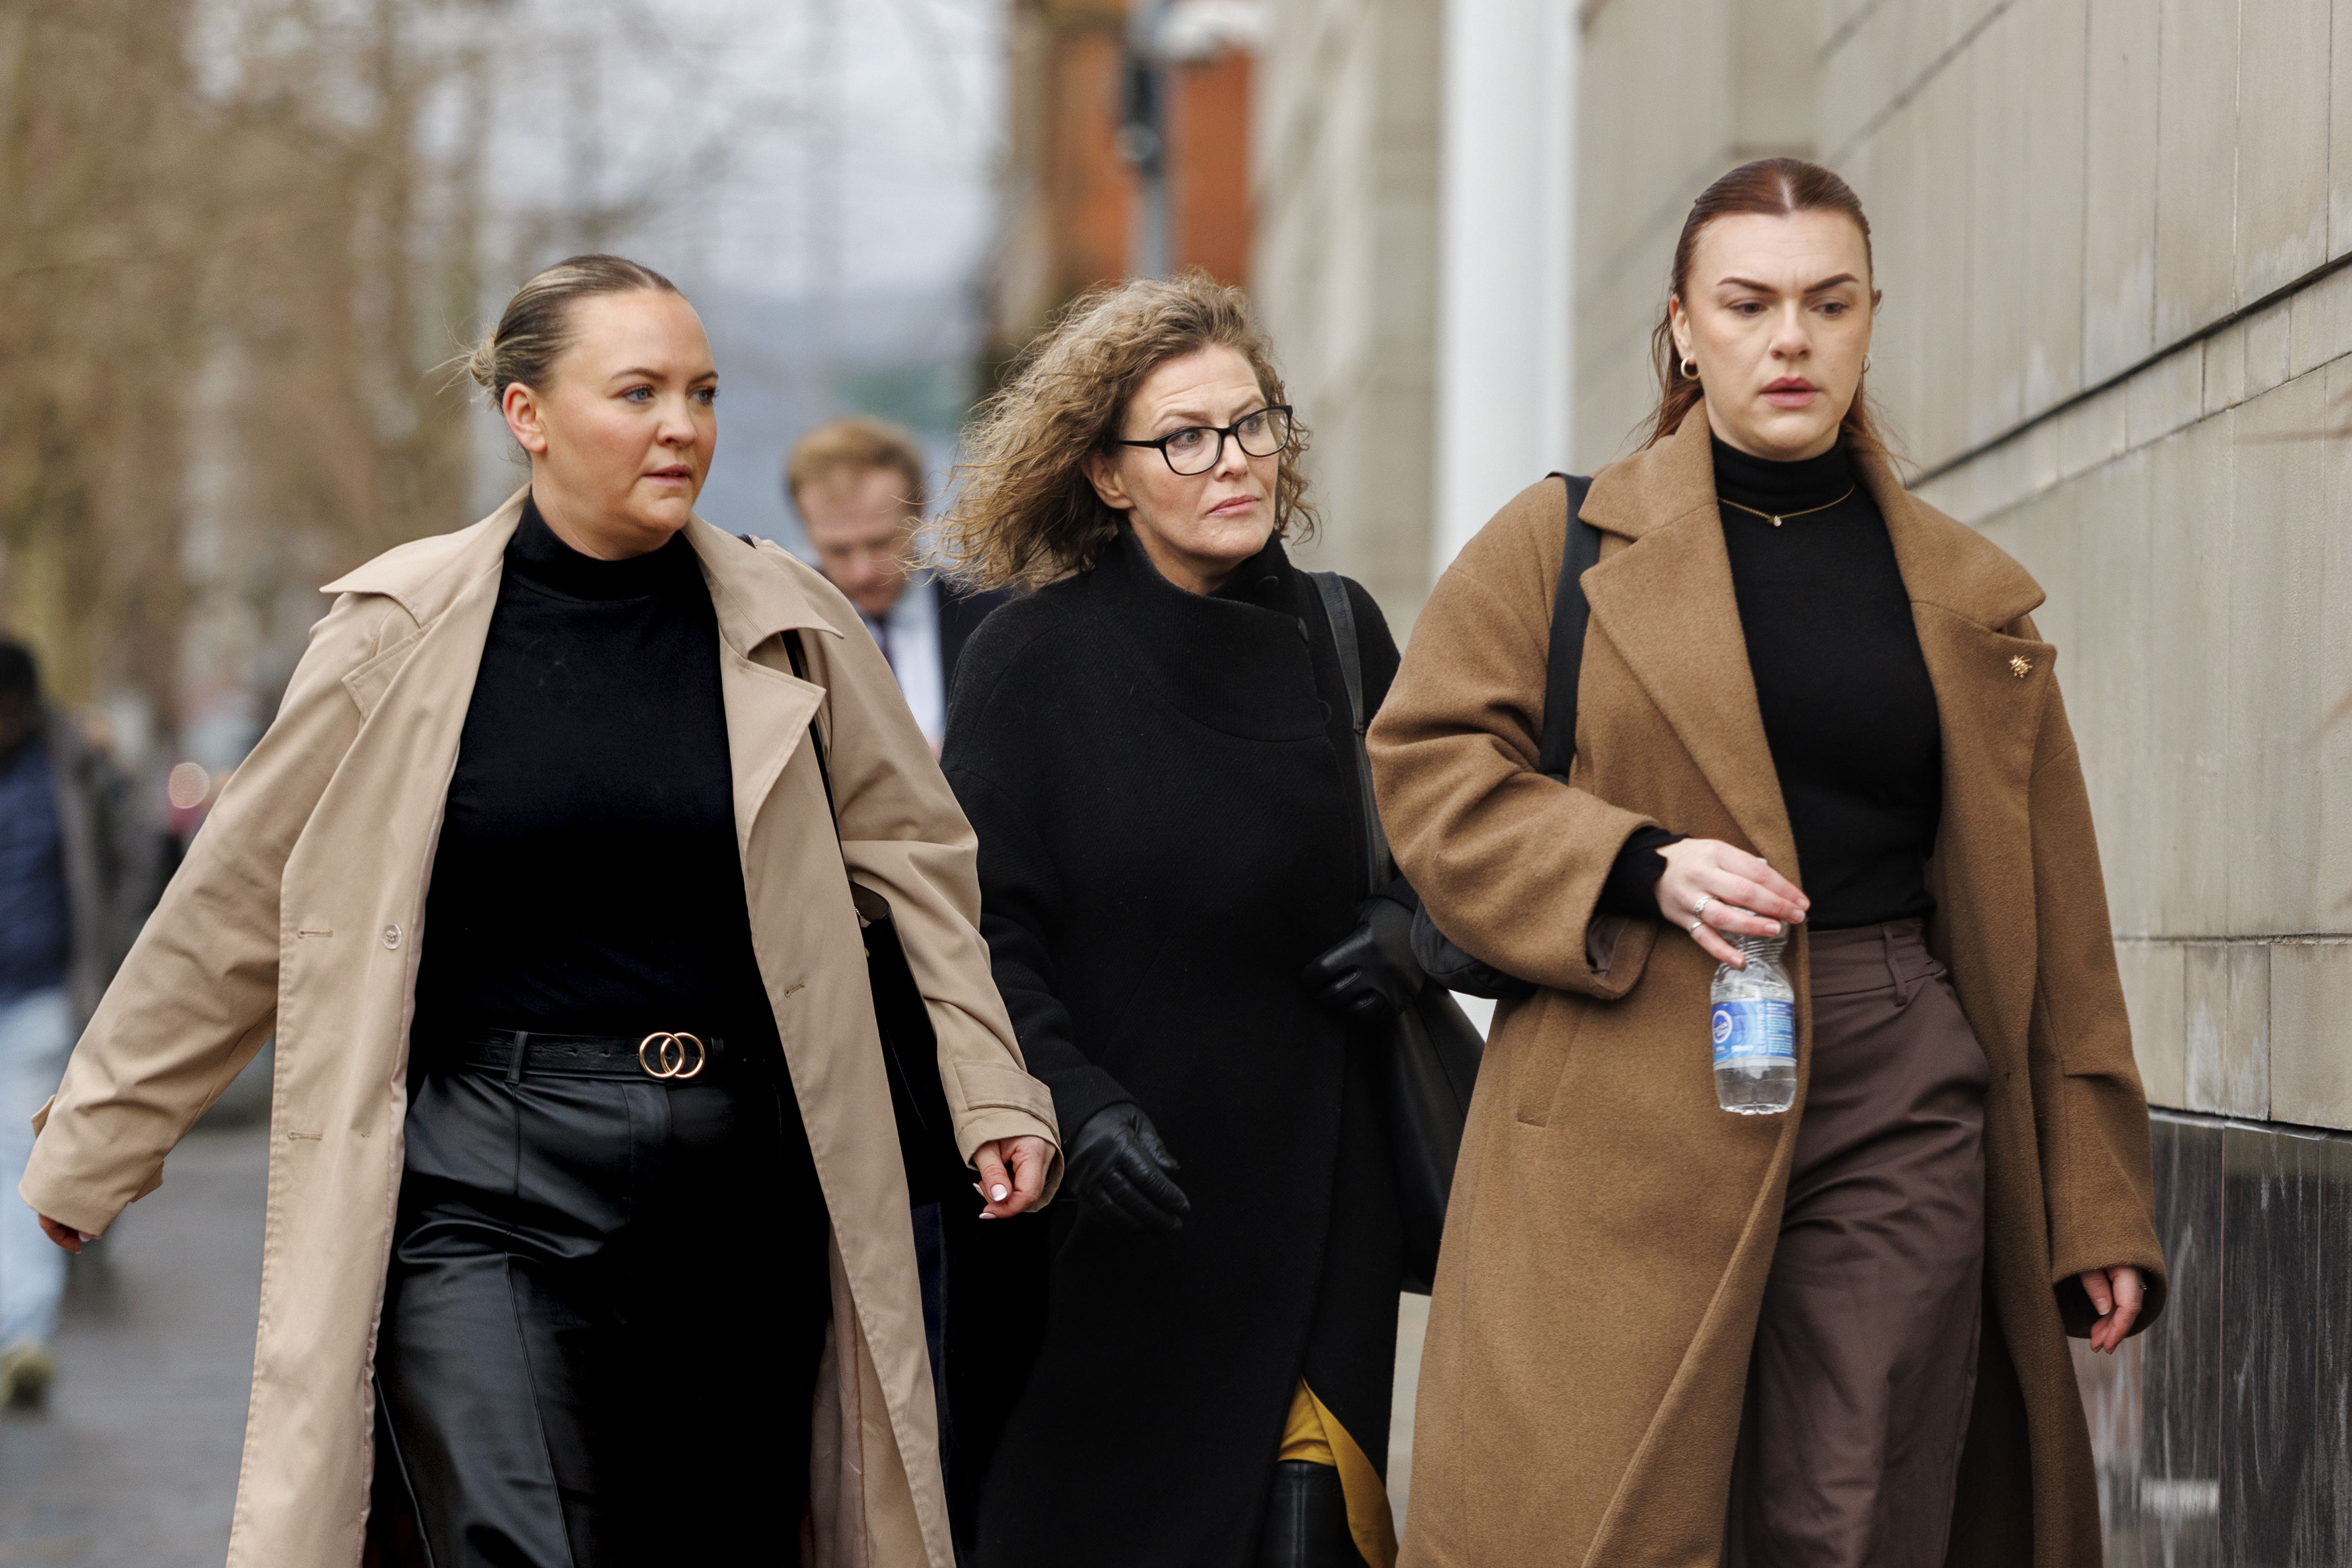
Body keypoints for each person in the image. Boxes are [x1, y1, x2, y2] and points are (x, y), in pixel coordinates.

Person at [19, 254, 1060, 1568]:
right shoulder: (394, 631)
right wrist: (104, 1136)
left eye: (702, 391)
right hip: (484, 1184)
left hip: (747, 1182)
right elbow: (237, 896)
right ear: (527, 414)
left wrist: (992, 1088)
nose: (683, 424)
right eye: (638, 391)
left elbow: (921, 865)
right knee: (517, 1540)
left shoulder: (793, 626)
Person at [1369, 157, 2166, 1568]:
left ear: (1869, 319)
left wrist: (2093, 1196)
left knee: (1852, 1505)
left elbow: (2057, 919)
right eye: (1747, 302)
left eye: (1826, 301)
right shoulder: (1554, 545)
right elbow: (1426, 772)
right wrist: (1632, 861)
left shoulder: (1969, 597)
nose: (1788, 338)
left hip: (1895, 1064)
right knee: (1609, 1508)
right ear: (1682, 326)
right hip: (1624, 1071)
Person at [933, 272, 1425, 1568]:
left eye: (1252, 423)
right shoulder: (1028, 662)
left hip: (1323, 1195)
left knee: (1305, 1533)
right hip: (1116, 1229)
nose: (1234, 462)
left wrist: (1409, 937)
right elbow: (980, 933)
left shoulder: (1340, 632)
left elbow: (1448, 855)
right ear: (1106, 474)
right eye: (1186, 438)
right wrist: (1078, 1104)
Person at [0, 640, 151, 1408]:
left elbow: (132, 854)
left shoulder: (73, 764)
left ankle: (23, 1334)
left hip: (39, 1000)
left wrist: (107, 957)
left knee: (18, 1165)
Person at [788, 415, 1009, 746]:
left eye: (879, 544)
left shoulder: (996, 618)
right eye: (837, 550)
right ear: (807, 531)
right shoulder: (785, 634)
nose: (862, 571)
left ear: (920, 513)